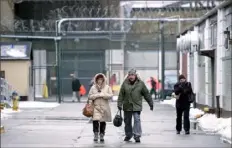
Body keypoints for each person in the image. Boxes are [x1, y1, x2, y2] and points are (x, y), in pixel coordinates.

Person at [117, 68, 154, 143]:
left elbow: (146, 94)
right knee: (127, 121)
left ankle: (137, 135)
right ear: (128, 76)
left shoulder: (141, 84)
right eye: (130, 75)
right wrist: (119, 104)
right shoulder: (125, 83)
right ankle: (128, 135)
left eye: (132, 75)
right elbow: (121, 95)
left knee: (137, 120)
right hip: (127, 105)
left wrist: (151, 103)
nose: (131, 76)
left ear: (135, 75)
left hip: (136, 105)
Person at [88, 73, 113, 142]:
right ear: (96, 80)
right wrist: (96, 95)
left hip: (104, 107)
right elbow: (89, 96)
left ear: (103, 80)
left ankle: (102, 134)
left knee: (102, 122)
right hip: (96, 107)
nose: (100, 81)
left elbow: (111, 95)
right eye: (98, 79)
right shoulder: (93, 87)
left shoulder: (107, 87)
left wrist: (103, 95)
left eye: (101, 79)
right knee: (95, 120)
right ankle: (96, 133)